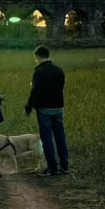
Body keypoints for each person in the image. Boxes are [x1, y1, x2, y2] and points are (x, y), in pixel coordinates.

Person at [25, 44, 68, 176]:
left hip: (44, 108)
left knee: (47, 138)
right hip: (58, 107)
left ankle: (52, 168)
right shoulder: (59, 70)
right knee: (60, 136)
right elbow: (61, 87)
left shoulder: (39, 72)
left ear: (37, 56)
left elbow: (35, 92)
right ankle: (64, 166)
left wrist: (29, 107)